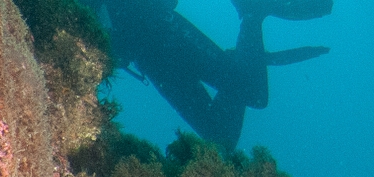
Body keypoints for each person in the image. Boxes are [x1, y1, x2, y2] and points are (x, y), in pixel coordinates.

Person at [97, 0, 330, 148]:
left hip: (166, 33)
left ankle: (252, 15)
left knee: (252, 95)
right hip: (151, 57)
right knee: (222, 136)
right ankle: (248, 37)